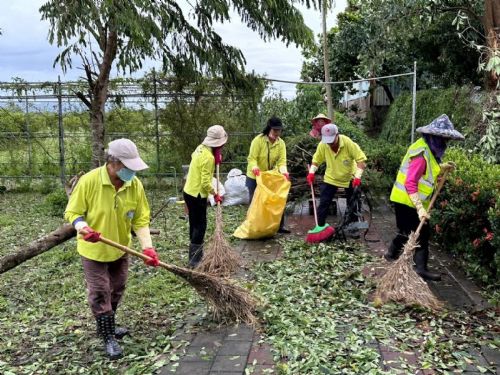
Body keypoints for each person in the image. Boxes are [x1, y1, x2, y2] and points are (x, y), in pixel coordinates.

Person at [64, 138, 160, 360]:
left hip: (120, 248)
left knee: (117, 288)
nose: (131, 172)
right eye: (127, 167)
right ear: (113, 162)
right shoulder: (89, 182)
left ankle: (107, 324)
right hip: (94, 250)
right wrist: (83, 226)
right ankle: (108, 336)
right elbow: (72, 212)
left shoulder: (134, 185)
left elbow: (140, 219)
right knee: (100, 291)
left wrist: (148, 248)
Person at [384, 114, 464, 281]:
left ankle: (418, 266)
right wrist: (420, 208)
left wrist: (442, 168)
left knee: (421, 233)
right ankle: (394, 255)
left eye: (446, 139)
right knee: (407, 233)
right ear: (433, 137)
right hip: (406, 200)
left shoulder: (428, 149)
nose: (444, 143)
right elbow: (410, 182)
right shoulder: (421, 153)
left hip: (413, 200)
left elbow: (427, 172)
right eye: (442, 138)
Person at [306, 124, 367, 235]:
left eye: (331, 141)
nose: (329, 144)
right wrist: (311, 172)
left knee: (353, 203)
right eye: (327, 141)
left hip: (350, 177)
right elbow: (316, 160)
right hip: (331, 177)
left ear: (337, 135)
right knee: (324, 202)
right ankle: (320, 226)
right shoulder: (323, 144)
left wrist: (358, 177)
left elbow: (361, 162)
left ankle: (353, 228)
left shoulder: (348, 143)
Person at [183, 125, 227, 267]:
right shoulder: (209, 158)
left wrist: (215, 158)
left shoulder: (200, 148)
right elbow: (205, 183)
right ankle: (195, 260)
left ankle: (194, 255)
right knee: (200, 225)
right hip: (197, 195)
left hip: (188, 191)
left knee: (194, 223)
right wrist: (215, 194)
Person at [246, 116, 290, 233]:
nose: (277, 133)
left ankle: (279, 226)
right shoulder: (258, 140)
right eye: (275, 130)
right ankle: (253, 227)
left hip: (270, 176)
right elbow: (252, 158)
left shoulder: (281, 144)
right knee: (255, 201)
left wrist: (284, 172)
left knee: (277, 200)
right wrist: (255, 168)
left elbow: (282, 161)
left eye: (279, 130)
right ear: (269, 129)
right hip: (254, 175)